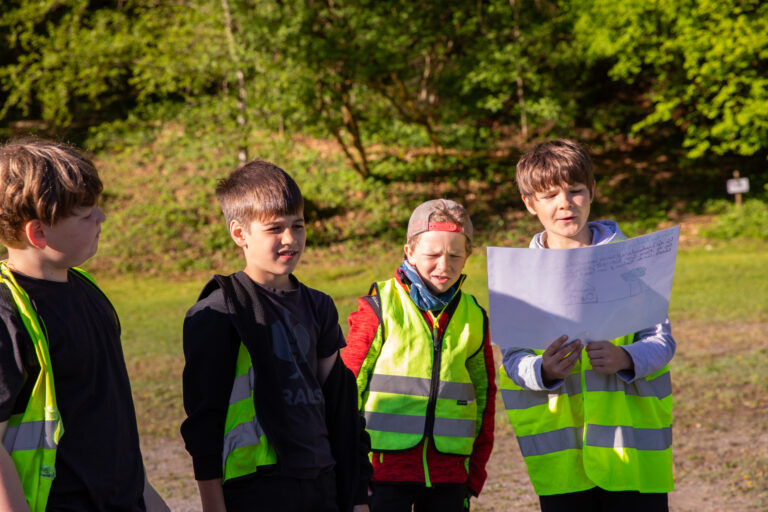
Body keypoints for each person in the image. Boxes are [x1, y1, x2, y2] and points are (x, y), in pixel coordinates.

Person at [180, 159, 371, 512]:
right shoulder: (219, 313)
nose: (290, 239)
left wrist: (357, 497)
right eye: (274, 229)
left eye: (298, 226)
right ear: (240, 234)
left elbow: (343, 410)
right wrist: (212, 505)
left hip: (321, 481)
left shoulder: (319, 307)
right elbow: (203, 423)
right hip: (257, 489)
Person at [498, 139, 675, 512]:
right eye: (549, 195)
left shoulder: (634, 264)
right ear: (530, 204)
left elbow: (662, 342)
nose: (565, 202)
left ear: (592, 192)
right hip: (564, 466)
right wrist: (542, 369)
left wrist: (626, 357)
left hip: (630, 455)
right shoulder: (518, 279)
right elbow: (512, 360)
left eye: (575, 190)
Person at [0, 139, 168, 511]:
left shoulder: (90, 292)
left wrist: (149, 500)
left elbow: (107, 420)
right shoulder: (9, 314)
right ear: (38, 233)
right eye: (85, 214)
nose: (102, 218)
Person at [342, 199, 496, 512]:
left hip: (450, 475)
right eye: (433, 254)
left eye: (455, 255)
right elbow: (345, 389)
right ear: (410, 251)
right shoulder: (379, 306)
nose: (445, 265)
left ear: (468, 256)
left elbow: (485, 398)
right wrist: (350, 472)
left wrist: (474, 473)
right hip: (381, 473)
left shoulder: (475, 316)